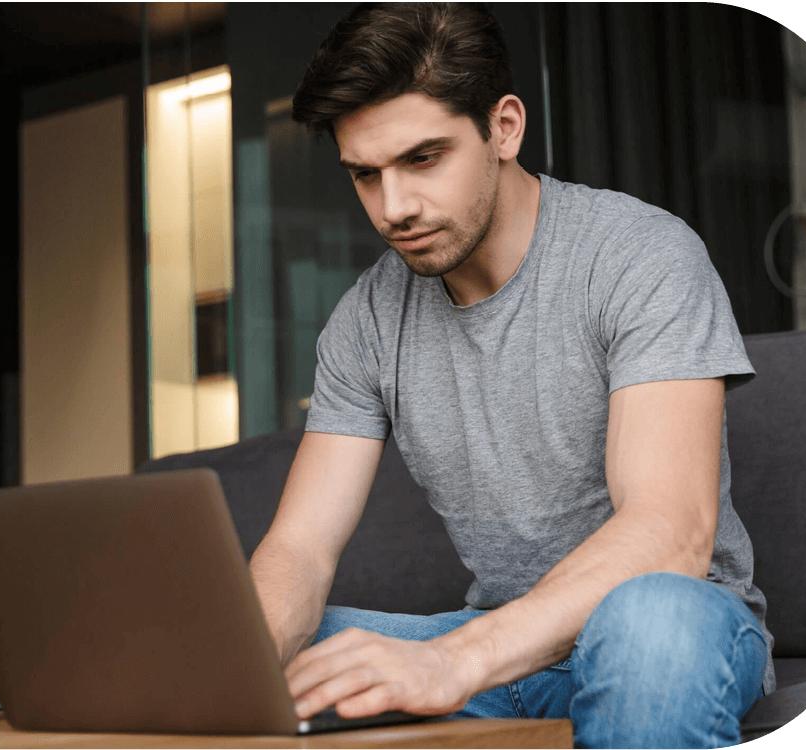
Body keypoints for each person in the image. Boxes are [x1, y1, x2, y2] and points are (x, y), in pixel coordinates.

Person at [247, 3, 774, 747]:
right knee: (215, 642)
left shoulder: (640, 256)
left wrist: (454, 662)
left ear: (503, 128)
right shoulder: (364, 322)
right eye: (365, 175)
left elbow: (669, 533)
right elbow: (300, 548)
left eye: (423, 158)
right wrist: (243, 657)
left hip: (673, 624)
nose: (393, 208)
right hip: (495, 643)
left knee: (649, 621)